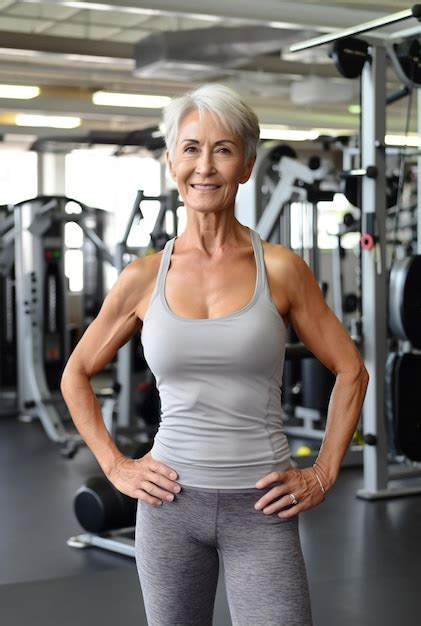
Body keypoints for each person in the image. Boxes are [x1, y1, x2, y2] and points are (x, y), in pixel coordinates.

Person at [60, 83, 369, 626]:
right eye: (192, 148)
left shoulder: (280, 269)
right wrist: (115, 466)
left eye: (223, 149)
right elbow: (77, 374)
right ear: (171, 162)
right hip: (169, 507)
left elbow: (351, 369)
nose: (205, 166)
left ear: (246, 166)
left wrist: (322, 473)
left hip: (262, 507)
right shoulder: (142, 278)